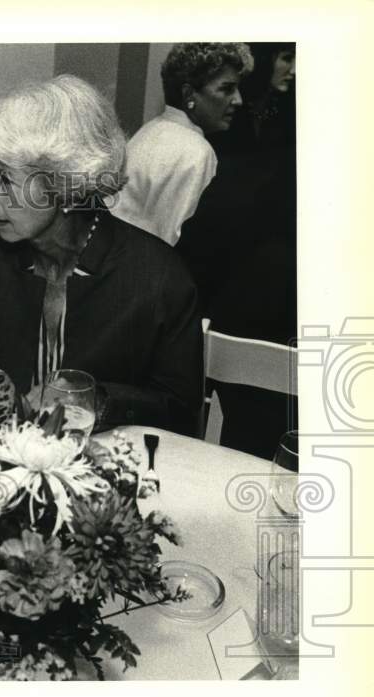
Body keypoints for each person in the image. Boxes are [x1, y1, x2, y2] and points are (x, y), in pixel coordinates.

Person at [0, 75, 203, 436]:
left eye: (5, 178)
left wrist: (96, 401)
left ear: (67, 184)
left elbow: (180, 412)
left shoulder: (159, 281)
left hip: (111, 461)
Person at [177, 44, 297, 458]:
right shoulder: (215, 152)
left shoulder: (242, 160)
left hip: (231, 346)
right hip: (242, 352)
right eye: (286, 57)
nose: (294, 70)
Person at [114, 42, 253, 247]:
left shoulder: (151, 129)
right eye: (227, 89)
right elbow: (172, 243)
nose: (238, 100)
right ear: (189, 94)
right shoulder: (196, 151)